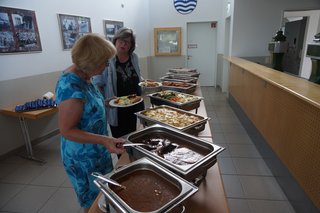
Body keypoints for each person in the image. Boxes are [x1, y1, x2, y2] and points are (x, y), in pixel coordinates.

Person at [55, 33, 125, 213]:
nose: (106, 66)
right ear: (91, 63)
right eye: (104, 62)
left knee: (104, 195)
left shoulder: (85, 76)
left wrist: (107, 102)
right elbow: (67, 130)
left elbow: (88, 107)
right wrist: (104, 140)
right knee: (92, 204)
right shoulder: (71, 87)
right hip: (82, 157)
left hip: (97, 148)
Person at [92, 27, 144, 139]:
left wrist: (143, 83)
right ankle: (122, 156)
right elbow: (97, 83)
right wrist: (103, 101)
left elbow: (136, 76)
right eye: (121, 41)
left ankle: (129, 153)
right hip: (117, 106)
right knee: (119, 139)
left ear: (131, 45)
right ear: (115, 40)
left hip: (134, 103)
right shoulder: (107, 59)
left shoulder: (134, 57)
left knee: (132, 135)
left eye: (127, 42)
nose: (123, 44)